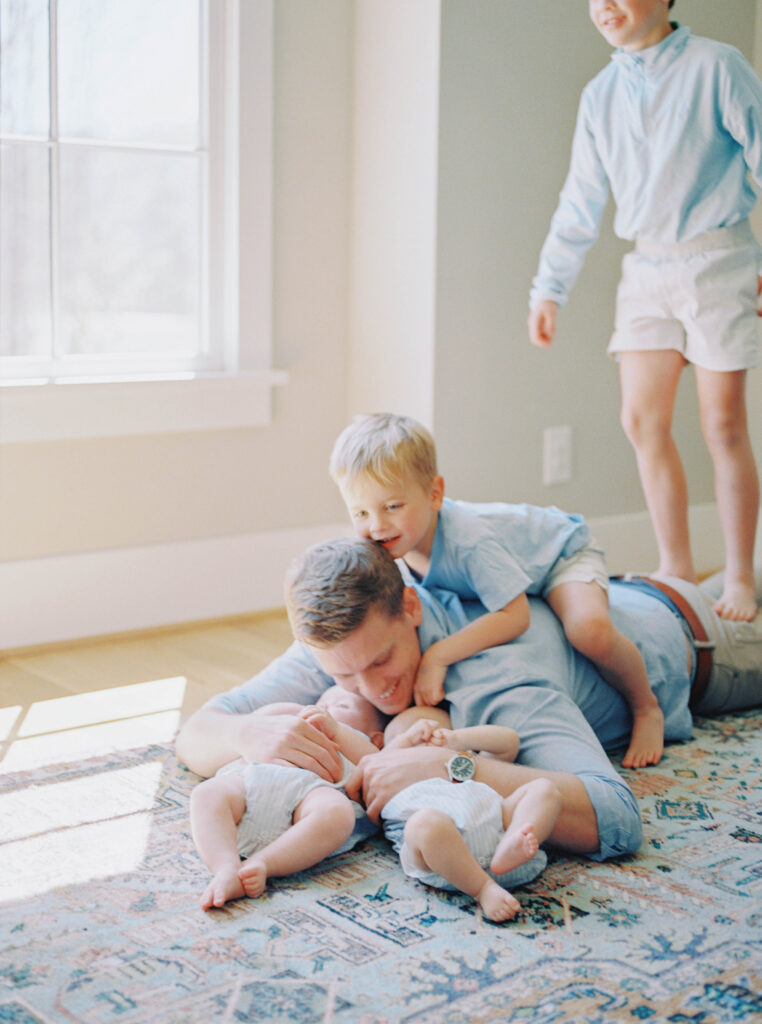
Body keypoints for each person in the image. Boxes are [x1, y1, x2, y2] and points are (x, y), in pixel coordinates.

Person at [176, 538, 762, 875]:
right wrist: (248, 735)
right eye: (342, 675)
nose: (370, 688)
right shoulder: (344, 647)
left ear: (410, 606)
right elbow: (198, 731)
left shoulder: (497, 671)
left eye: (382, 663)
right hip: (633, 591)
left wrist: (453, 767)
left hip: (709, 643)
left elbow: (615, 816)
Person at [528, 0, 762, 623]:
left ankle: (739, 575)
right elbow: (580, 199)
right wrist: (548, 289)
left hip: (719, 261)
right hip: (647, 270)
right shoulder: (601, 94)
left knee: (723, 426)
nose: (605, 5)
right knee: (641, 420)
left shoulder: (719, 66)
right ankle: (678, 568)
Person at [329, 412, 663, 769]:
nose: (376, 525)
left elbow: (515, 616)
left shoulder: (471, 544)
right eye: (360, 512)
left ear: (435, 494)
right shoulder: (393, 542)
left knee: (588, 630)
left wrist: (438, 656)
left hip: (561, 556)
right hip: (514, 567)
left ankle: (647, 708)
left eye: (392, 506)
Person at [190, 685, 557, 921]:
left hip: (489, 817)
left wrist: (456, 738)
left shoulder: (398, 757)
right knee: (206, 795)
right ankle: (225, 867)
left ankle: (516, 843)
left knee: (543, 790)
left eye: (339, 705)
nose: (323, 707)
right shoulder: (376, 763)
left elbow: (507, 743)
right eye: (322, 702)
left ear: (373, 737)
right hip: (434, 839)